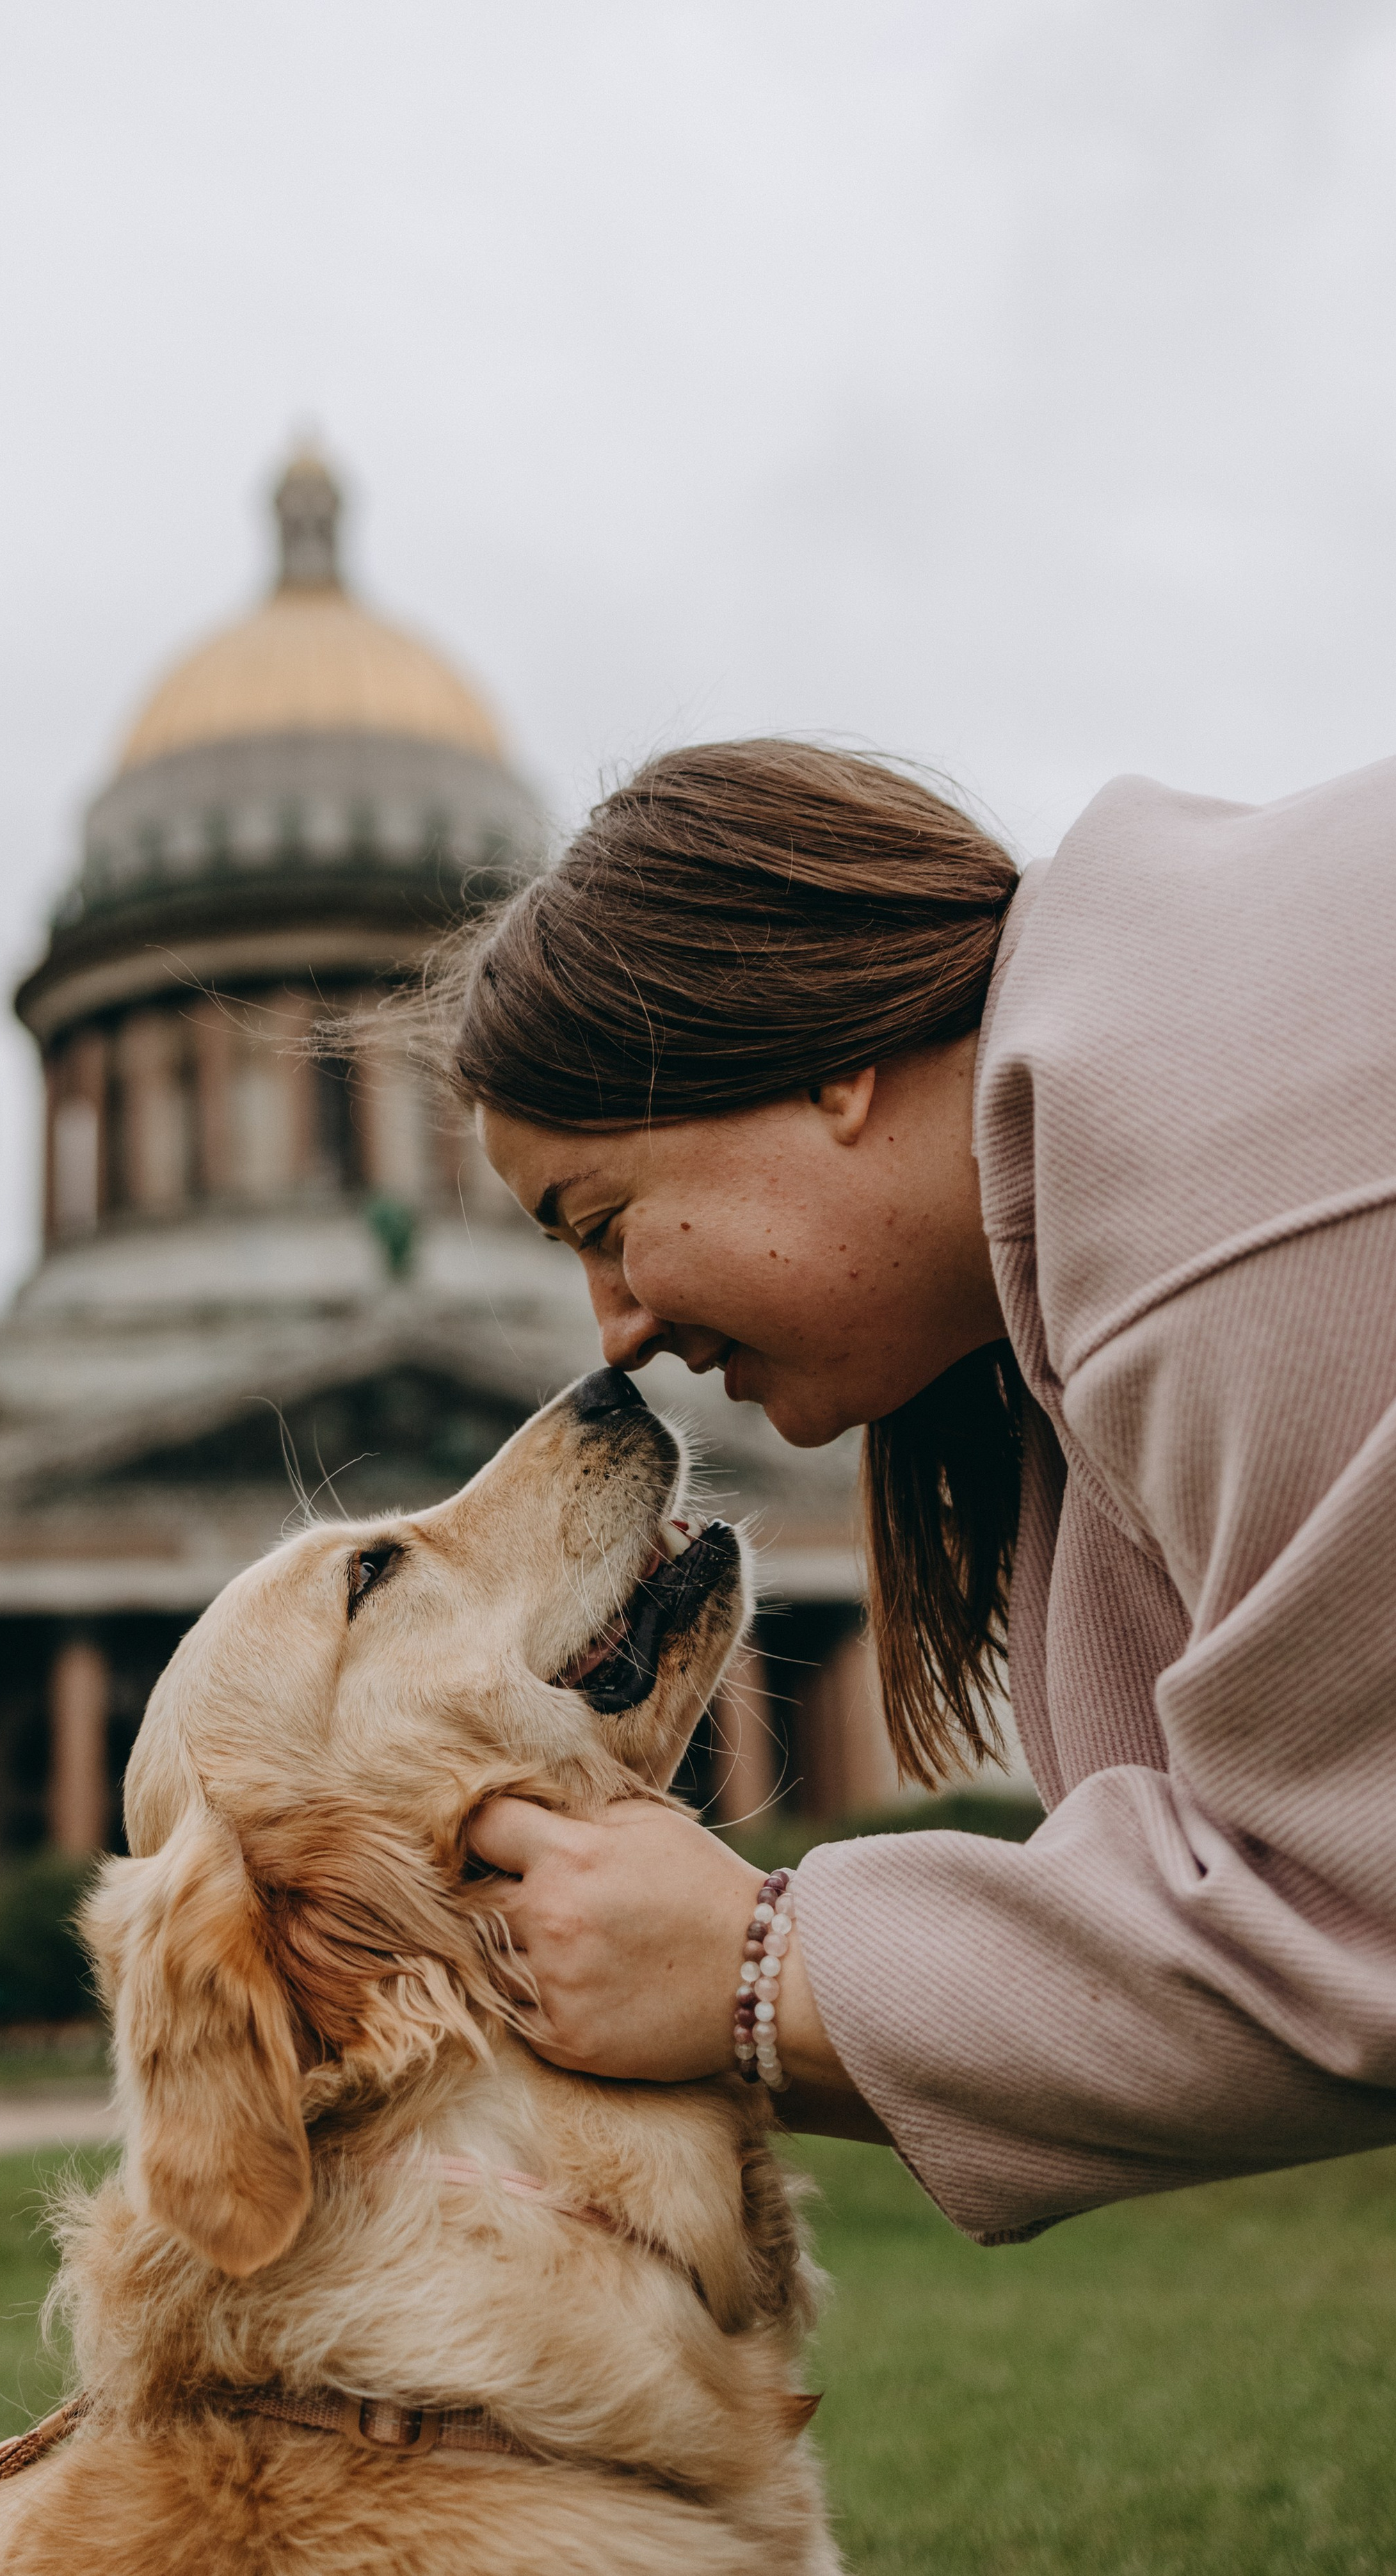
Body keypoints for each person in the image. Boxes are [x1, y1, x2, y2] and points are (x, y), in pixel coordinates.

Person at [448, 739, 1396, 2244]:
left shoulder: (1211, 1237)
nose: (613, 1332)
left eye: (605, 1221)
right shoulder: (1170, 1080)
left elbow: (1359, 1923)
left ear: (822, 1064)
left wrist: (749, 1960)